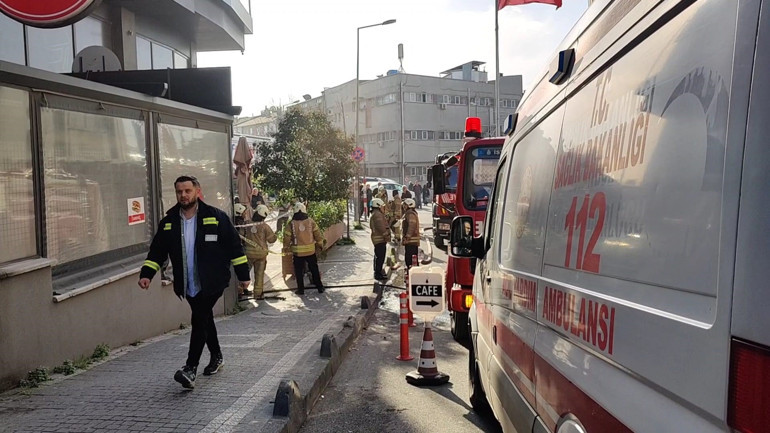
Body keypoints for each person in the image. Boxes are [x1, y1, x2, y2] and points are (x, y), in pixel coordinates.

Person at [138, 175, 250, 389]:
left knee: (199, 318)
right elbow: (157, 251)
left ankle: (190, 369)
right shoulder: (169, 221)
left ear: (197, 191)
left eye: (187, 191)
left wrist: (243, 275)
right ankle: (217, 356)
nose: (183, 195)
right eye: (179, 191)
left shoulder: (215, 217)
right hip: (187, 283)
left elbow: (234, 247)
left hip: (213, 281)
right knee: (204, 318)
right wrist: (147, 274)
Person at [283, 202, 325, 295]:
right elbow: (318, 234)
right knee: (314, 269)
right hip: (310, 251)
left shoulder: (291, 224)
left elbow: (287, 237)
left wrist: (285, 247)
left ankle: (301, 290)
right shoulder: (310, 221)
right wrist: (320, 244)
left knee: (298, 271)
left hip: (297, 253)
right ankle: (320, 287)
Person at [240, 204, 277, 300]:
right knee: (259, 275)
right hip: (261, 255)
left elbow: (241, 236)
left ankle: (239, 291)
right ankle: (258, 294)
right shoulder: (265, 226)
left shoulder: (246, 224)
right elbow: (272, 240)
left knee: (244, 273)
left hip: (248, 254)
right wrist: (275, 235)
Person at [369, 198, 390, 280]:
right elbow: (381, 227)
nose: (383, 208)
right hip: (380, 239)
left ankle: (378, 272)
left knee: (378, 256)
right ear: (378, 205)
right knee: (380, 257)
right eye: (382, 206)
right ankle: (378, 274)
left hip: (378, 239)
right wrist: (386, 236)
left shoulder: (376, 213)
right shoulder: (377, 215)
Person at [402, 198, 420, 268]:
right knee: (412, 258)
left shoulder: (410, 214)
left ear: (409, 205)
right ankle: (413, 271)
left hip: (411, 241)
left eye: (405, 205)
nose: (404, 206)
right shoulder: (410, 213)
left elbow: (411, 226)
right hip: (411, 241)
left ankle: (411, 271)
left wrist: (407, 236)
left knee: (410, 258)